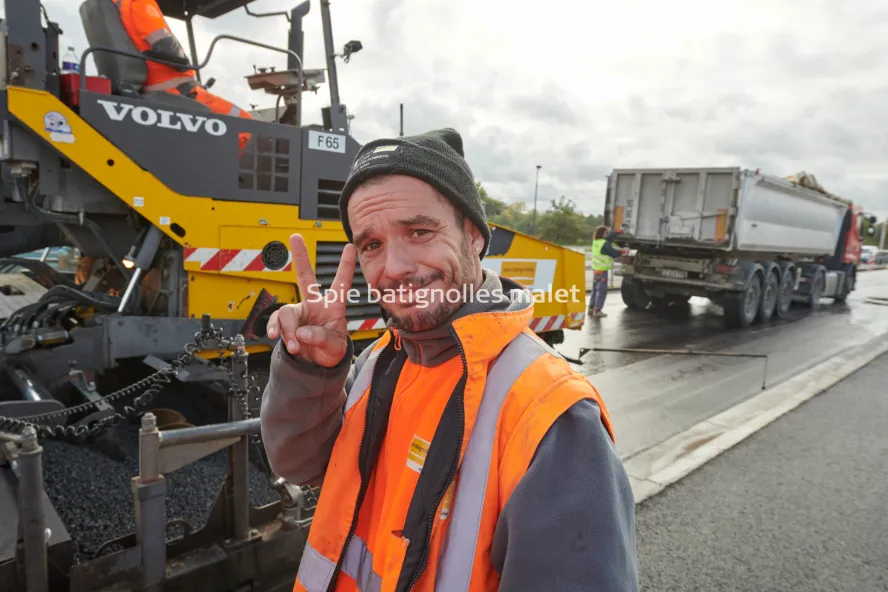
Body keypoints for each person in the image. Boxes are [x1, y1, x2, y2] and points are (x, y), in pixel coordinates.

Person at [260, 128, 639, 592]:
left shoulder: (554, 417)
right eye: (371, 245)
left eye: (419, 232)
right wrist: (312, 371)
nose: (394, 267)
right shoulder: (383, 360)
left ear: (475, 235)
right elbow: (300, 466)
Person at [112, 0, 253, 151]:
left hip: (159, 88)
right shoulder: (140, 3)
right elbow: (168, 48)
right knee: (248, 127)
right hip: (177, 90)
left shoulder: (119, 6)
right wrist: (185, 61)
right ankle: (227, 173)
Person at [589, 225, 628, 317]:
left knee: (595, 290)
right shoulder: (604, 244)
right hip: (602, 271)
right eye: (606, 232)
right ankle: (597, 310)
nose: (607, 234)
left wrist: (618, 232)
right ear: (602, 234)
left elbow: (609, 238)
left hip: (596, 270)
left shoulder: (596, 241)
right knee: (601, 291)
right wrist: (623, 252)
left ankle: (591, 308)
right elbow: (612, 253)